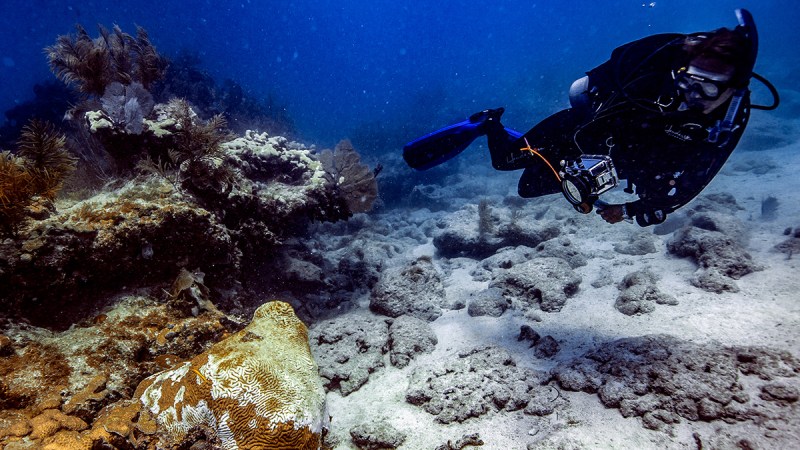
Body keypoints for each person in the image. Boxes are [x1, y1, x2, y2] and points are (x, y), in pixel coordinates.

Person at [403, 9, 778, 226]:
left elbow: (698, 177)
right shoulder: (653, 76)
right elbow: (588, 94)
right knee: (504, 162)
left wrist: (632, 209)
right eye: (691, 82)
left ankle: (531, 148)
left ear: (734, 88)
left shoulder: (728, 120)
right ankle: (488, 123)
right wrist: (576, 159)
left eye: (710, 89)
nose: (694, 96)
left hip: (622, 162)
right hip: (580, 131)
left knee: (527, 189)